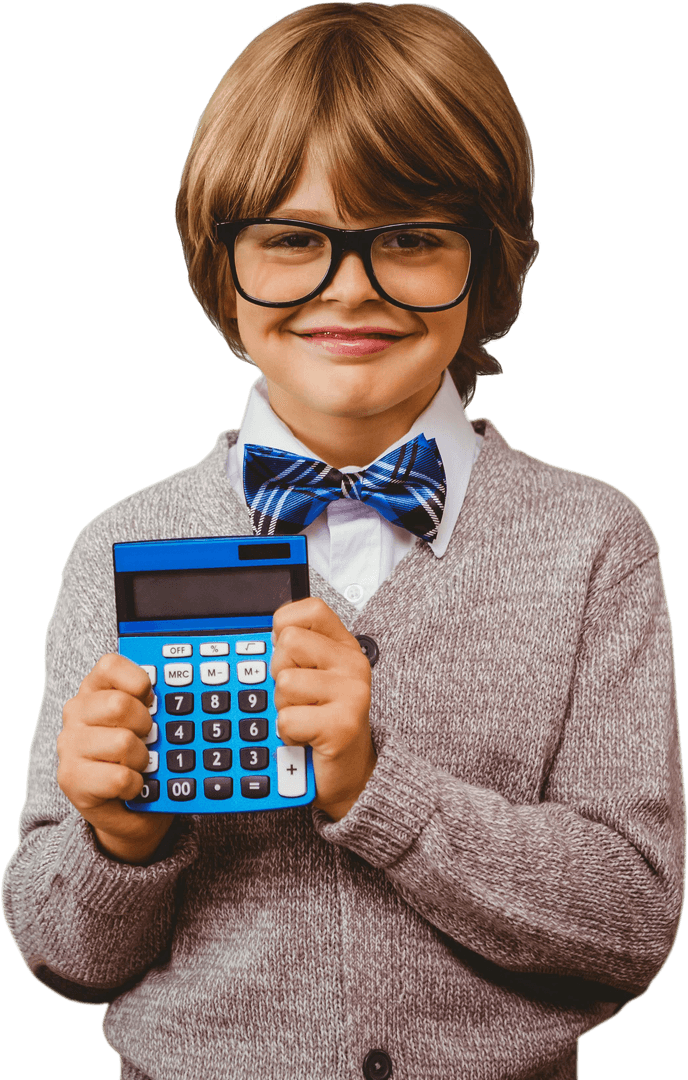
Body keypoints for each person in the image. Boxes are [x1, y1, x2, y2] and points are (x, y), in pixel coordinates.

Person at [2, 4, 684, 1078]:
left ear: (488, 257)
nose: (351, 287)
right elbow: (62, 952)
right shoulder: (121, 544)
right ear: (221, 260)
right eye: (292, 239)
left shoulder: (593, 544)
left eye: (411, 239)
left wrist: (377, 787)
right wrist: (119, 840)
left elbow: (631, 920)